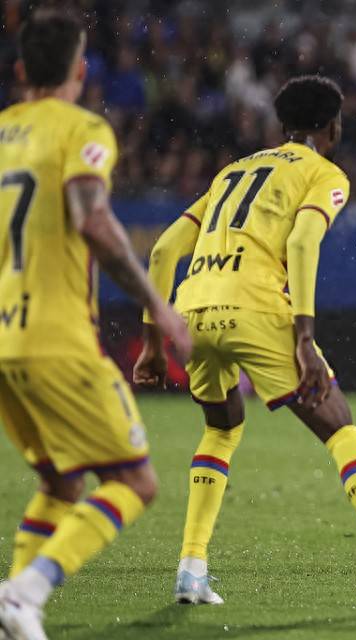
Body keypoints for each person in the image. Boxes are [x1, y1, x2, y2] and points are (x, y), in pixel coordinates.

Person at [132, 75, 356, 611]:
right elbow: (304, 241)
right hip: (256, 308)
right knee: (341, 429)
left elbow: (165, 249)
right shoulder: (323, 172)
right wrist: (304, 336)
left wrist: (151, 339)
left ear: (283, 124)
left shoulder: (232, 171)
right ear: (333, 127)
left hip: (193, 313)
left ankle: (191, 570)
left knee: (221, 428)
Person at [0, 11, 191, 640]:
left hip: (3, 340)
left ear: (21, 70)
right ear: (80, 71)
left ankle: (12, 615)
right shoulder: (82, 129)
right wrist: (159, 305)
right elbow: (93, 219)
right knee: (134, 479)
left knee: (60, 481)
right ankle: (25, 592)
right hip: (55, 338)